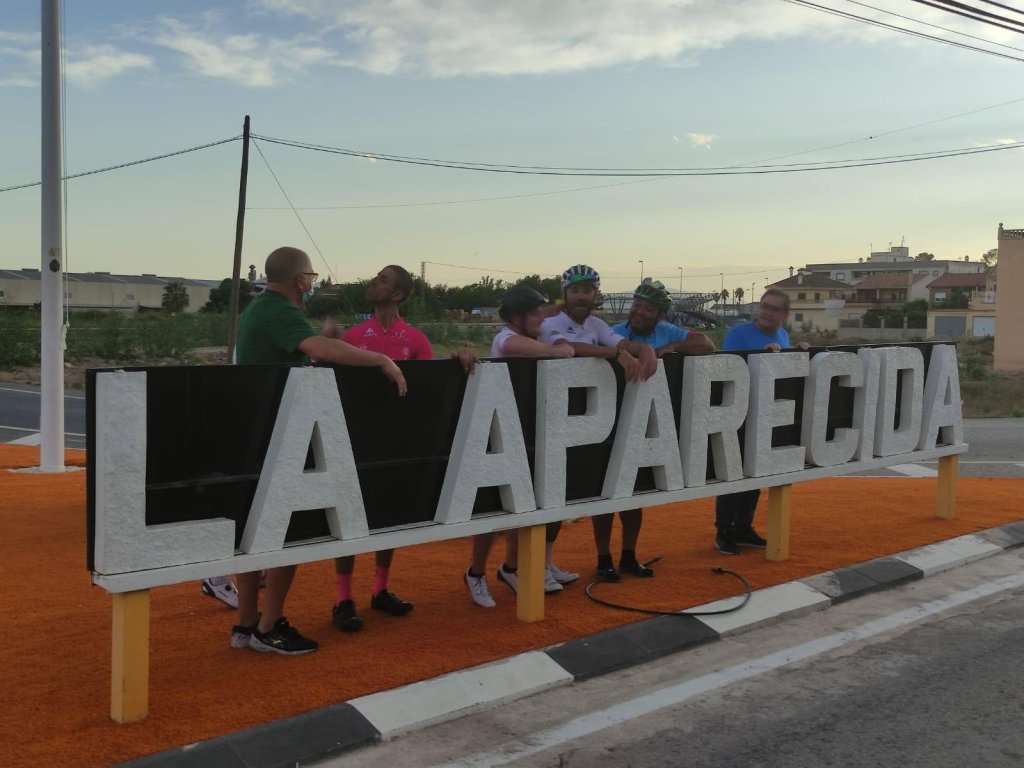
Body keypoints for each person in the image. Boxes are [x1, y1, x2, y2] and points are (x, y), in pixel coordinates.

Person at [232, 247, 407, 655]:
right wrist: (381, 359)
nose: (312, 282)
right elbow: (321, 351)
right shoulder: (279, 310)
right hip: (279, 435)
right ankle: (269, 626)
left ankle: (246, 623)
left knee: (257, 533)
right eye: (310, 276)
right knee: (287, 534)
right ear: (300, 280)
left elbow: (308, 348)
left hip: (260, 431)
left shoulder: (260, 309)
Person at [324, 264, 477, 630]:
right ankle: (344, 598)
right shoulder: (353, 336)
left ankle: (380, 590)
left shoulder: (415, 339)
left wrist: (457, 360)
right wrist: (327, 344)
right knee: (349, 516)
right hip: (355, 437)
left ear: (398, 295)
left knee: (389, 512)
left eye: (383, 279)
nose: (373, 281)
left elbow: (429, 386)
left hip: (397, 441)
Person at [539, 265, 659, 583]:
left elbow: (623, 343)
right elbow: (569, 348)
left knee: (604, 489)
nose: (581, 296)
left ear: (595, 294)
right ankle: (532, 566)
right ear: (565, 294)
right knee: (551, 498)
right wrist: (615, 354)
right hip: (554, 420)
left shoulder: (596, 324)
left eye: (587, 290)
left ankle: (547, 564)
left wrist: (645, 349)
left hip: (591, 420)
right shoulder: (550, 322)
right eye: (575, 290)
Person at [591, 278, 717, 580]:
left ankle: (629, 556)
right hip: (610, 420)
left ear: (660, 315)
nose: (639, 311)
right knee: (604, 496)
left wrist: (673, 346)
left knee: (635, 495)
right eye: (637, 305)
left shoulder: (668, 330)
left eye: (647, 308)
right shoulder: (614, 332)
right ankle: (603, 559)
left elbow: (707, 344)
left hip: (645, 424)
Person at [464, 287, 576, 608]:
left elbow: (562, 346)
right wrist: (557, 347)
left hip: (523, 430)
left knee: (524, 505)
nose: (541, 320)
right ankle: (475, 572)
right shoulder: (506, 338)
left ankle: (511, 567)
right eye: (534, 314)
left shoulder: (529, 335)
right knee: (492, 511)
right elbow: (539, 349)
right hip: (499, 434)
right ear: (516, 317)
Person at [714, 287, 809, 555]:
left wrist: (797, 352)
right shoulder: (738, 334)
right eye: (764, 306)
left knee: (756, 473)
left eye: (774, 308)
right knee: (733, 473)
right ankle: (724, 530)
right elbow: (727, 370)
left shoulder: (783, 335)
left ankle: (743, 527)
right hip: (738, 414)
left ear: (785, 314)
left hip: (765, 414)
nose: (767, 312)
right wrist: (759, 355)